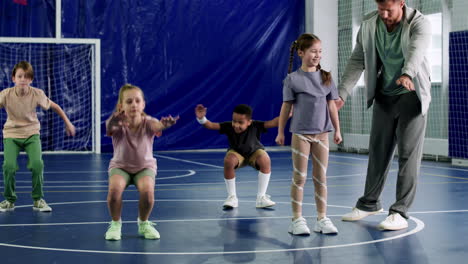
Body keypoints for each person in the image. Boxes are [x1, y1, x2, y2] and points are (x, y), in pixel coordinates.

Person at [337, 0, 431, 231]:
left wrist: (408, 73)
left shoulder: (419, 23)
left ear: (402, 3)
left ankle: (400, 211)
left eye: (389, 9)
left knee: (408, 155)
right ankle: (369, 203)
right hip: (384, 95)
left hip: (412, 94)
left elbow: (416, 51)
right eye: (381, 9)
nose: (385, 14)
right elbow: (357, 59)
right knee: (378, 152)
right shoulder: (369, 24)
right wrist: (342, 93)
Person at [276, 34, 342, 235]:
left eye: (320, 51)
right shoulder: (292, 79)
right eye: (313, 51)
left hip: (322, 135)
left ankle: (322, 218)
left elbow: (332, 106)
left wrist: (337, 130)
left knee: (321, 177)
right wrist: (280, 132)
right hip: (301, 135)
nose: (317, 55)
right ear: (301, 53)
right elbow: (286, 107)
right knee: (300, 177)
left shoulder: (326, 77)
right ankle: (296, 219)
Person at [104, 83, 178, 241]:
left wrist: (164, 125)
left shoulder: (149, 122)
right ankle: (116, 224)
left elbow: (157, 125)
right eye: (129, 101)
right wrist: (112, 120)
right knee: (114, 193)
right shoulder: (118, 123)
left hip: (144, 167)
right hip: (120, 166)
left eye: (137, 101)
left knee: (148, 194)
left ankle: (143, 223)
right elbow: (109, 127)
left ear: (143, 104)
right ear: (121, 105)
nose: (134, 105)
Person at [0, 61, 76, 213]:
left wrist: (68, 123)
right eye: (20, 76)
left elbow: (56, 106)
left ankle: (38, 199)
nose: (23, 79)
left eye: (27, 77)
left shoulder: (37, 94)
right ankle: (9, 200)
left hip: (31, 134)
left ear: (31, 80)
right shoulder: (5, 95)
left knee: (37, 164)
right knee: (8, 166)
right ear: (13, 78)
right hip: (12, 134)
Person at [195, 104, 278, 209]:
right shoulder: (229, 126)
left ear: (249, 122)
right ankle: (232, 197)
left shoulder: (256, 125)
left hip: (254, 153)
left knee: (265, 159)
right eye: (234, 121)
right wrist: (202, 118)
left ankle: (261, 198)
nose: (236, 125)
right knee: (228, 161)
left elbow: (274, 122)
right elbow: (210, 125)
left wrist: (288, 113)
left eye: (240, 122)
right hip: (237, 154)